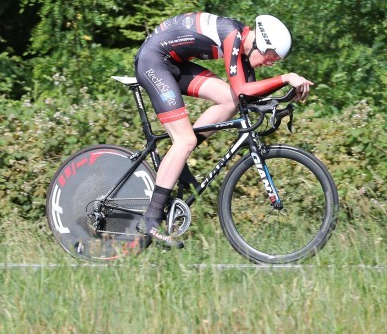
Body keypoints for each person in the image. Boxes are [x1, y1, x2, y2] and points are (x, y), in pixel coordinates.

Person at [134, 12, 313, 248]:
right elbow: (243, 88)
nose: (270, 63)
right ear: (260, 43)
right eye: (270, 57)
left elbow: (245, 98)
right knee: (184, 140)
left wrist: (278, 102)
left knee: (230, 101)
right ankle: (150, 219)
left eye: (275, 61)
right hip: (154, 61)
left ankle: (179, 158)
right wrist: (286, 77)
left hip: (173, 63)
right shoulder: (232, 35)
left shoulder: (243, 44)